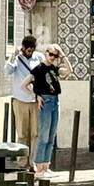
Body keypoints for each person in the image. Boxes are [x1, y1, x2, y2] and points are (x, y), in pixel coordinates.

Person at [4, 34, 44, 168]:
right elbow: (7, 71)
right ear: (23, 48)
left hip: (35, 100)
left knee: (35, 133)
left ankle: (33, 162)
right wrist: (13, 55)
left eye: (32, 49)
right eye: (28, 50)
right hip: (20, 100)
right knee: (22, 133)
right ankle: (22, 162)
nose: (30, 52)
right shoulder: (17, 59)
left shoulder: (39, 57)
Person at [28, 44, 67, 177]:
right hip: (46, 101)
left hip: (55, 101)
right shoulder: (38, 69)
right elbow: (25, 84)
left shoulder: (54, 69)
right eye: (50, 54)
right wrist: (36, 96)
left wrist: (62, 55)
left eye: (55, 56)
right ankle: (39, 167)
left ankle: (46, 165)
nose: (52, 57)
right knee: (43, 136)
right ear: (46, 53)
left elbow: (69, 71)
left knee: (51, 136)